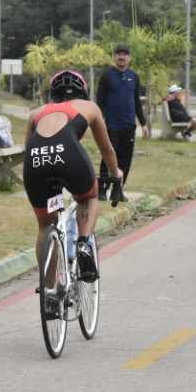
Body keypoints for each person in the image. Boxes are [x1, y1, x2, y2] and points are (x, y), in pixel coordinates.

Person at [23, 70, 123, 285]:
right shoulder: (89, 107)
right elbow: (106, 149)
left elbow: (28, 149)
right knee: (88, 196)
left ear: (52, 94)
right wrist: (116, 174)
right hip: (68, 155)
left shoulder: (36, 113)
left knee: (45, 227)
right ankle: (84, 243)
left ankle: (49, 289)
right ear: (83, 92)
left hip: (36, 161)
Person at [96, 44, 149, 201]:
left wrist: (143, 123)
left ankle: (117, 191)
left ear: (129, 58)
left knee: (125, 159)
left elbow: (136, 102)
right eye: (118, 54)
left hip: (129, 125)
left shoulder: (134, 76)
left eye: (124, 54)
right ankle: (102, 189)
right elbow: (100, 101)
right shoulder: (107, 75)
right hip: (111, 125)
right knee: (108, 156)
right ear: (114, 57)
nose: (121, 57)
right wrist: (100, 120)